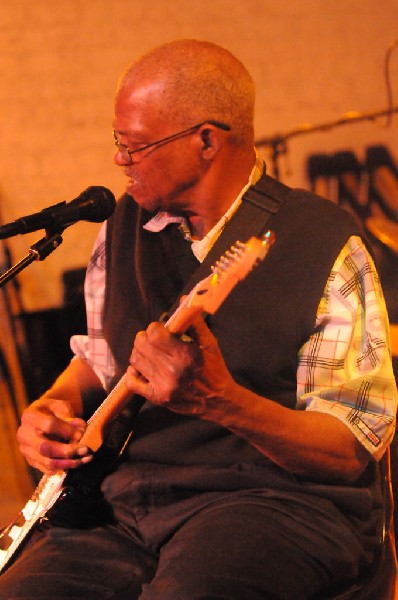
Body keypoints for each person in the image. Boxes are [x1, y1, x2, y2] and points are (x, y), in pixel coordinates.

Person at [0, 39, 396, 599]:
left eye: (132, 145)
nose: (118, 159)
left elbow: (350, 446)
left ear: (206, 140)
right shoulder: (121, 231)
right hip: (128, 504)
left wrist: (222, 401)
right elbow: (98, 358)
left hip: (274, 503)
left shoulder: (324, 242)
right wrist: (54, 407)